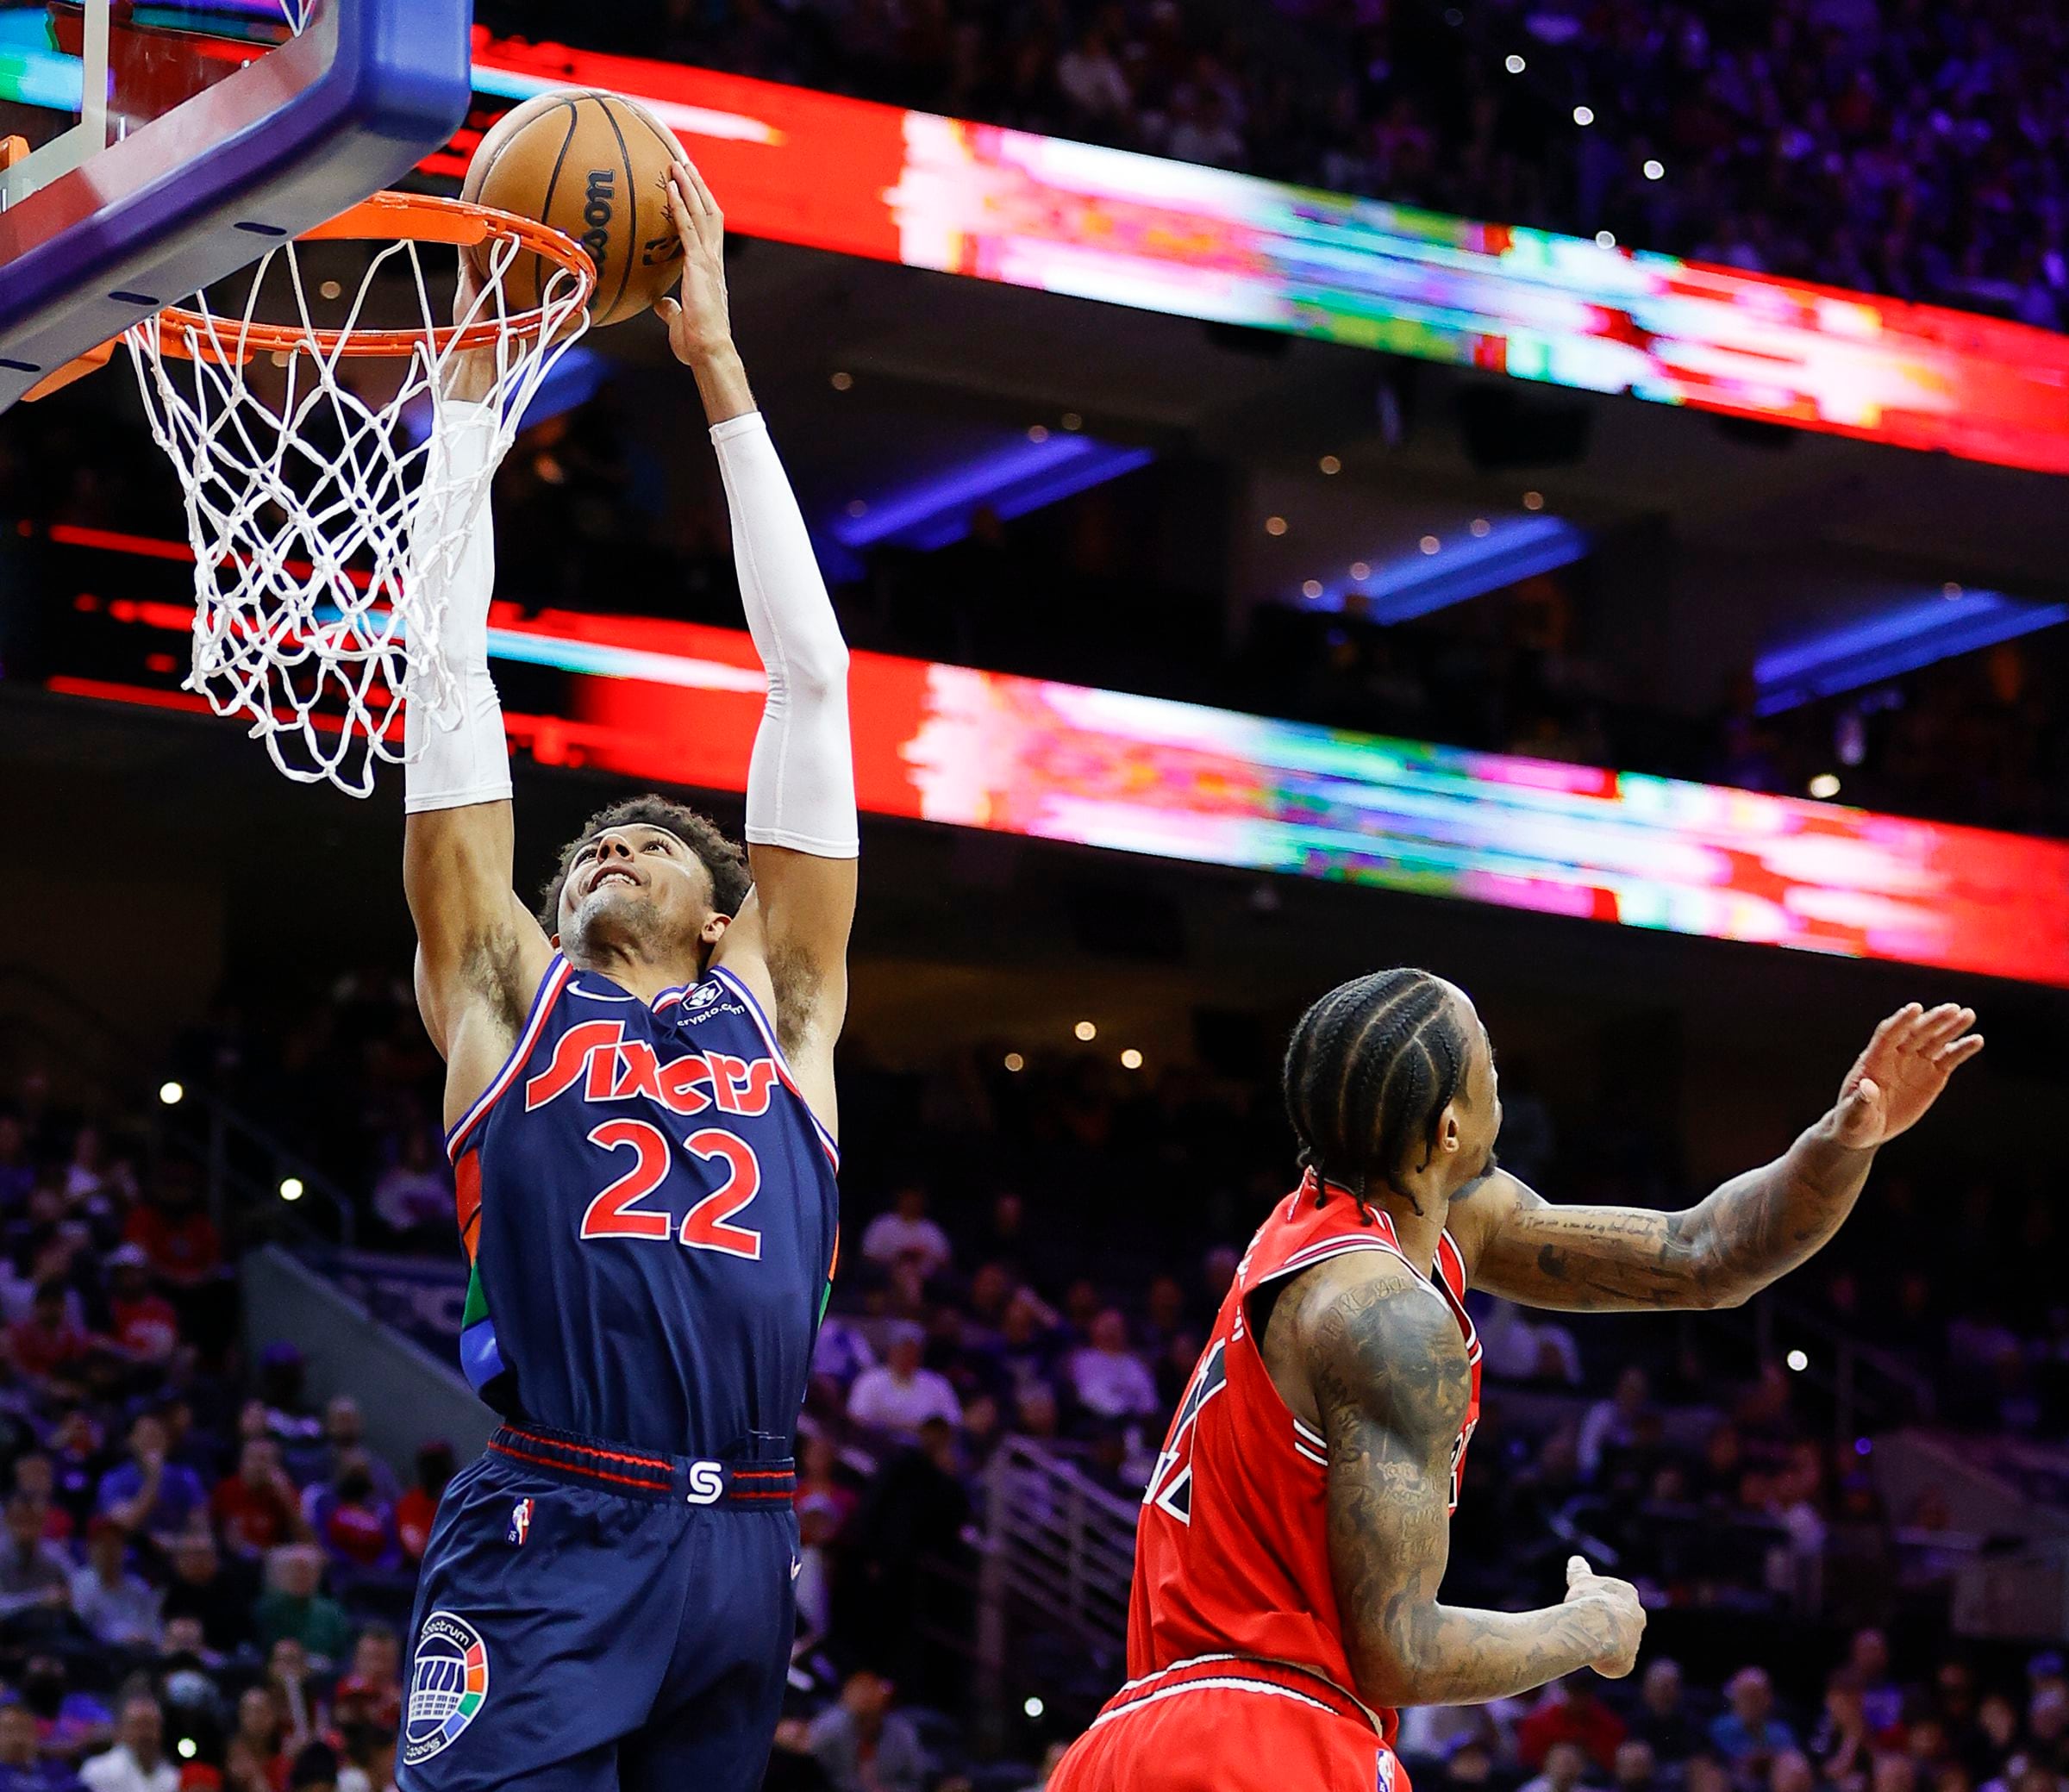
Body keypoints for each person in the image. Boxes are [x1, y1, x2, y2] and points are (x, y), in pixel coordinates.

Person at [1050, 972, 1982, 1792]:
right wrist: (1588, 1628)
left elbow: (1702, 1253)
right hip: (1264, 1740)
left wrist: (1844, 1138)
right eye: (1487, 1058)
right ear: (1449, 1127)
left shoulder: (1363, 1222)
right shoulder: (1384, 1315)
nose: (1505, 1073)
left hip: (1133, 1739)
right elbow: (1399, 1651)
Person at [397, 159, 855, 1792]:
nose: (606, 846)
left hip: (748, 1538)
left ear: (728, 915)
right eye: (588, 843)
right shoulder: (507, 996)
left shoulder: (783, 1009)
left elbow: (811, 682)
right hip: (558, 1510)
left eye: (649, 841)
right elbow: (444, 672)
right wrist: (468, 402)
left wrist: (718, 366)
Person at [804, 1674, 923, 1792]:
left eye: (870, 1695)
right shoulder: (830, 1727)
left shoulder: (903, 1733)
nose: (865, 1701)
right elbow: (814, 1765)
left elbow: (916, 1780)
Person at [846, 1325, 961, 1439]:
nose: (908, 1356)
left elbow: (953, 1420)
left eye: (913, 1351)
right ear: (891, 1351)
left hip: (925, 1444)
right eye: (903, 1351)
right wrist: (900, 1427)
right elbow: (857, 1417)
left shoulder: (937, 1383)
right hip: (878, 1443)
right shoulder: (869, 1380)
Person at [69, 1519, 160, 1650]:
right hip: (98, 1653)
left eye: (115, 1544)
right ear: (89, 1548)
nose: (109, 1551)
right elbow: (80, 1628)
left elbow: (154, 1629)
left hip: (139, 1652)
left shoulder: (137, 1587)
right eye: (103, 1544)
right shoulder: (81, 1582)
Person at [78, 1698, 176, 1792]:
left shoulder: (173, 1778)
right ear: (121, 1730)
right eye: (138, 1726)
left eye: (151, 1725)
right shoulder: (97, 1771)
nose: (145, 1734)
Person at [0, 1699, 84, 1792]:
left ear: (36, 1734)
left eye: (24, 1730)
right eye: (9, 1730)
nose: (18, 1738)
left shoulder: (57, 1770)